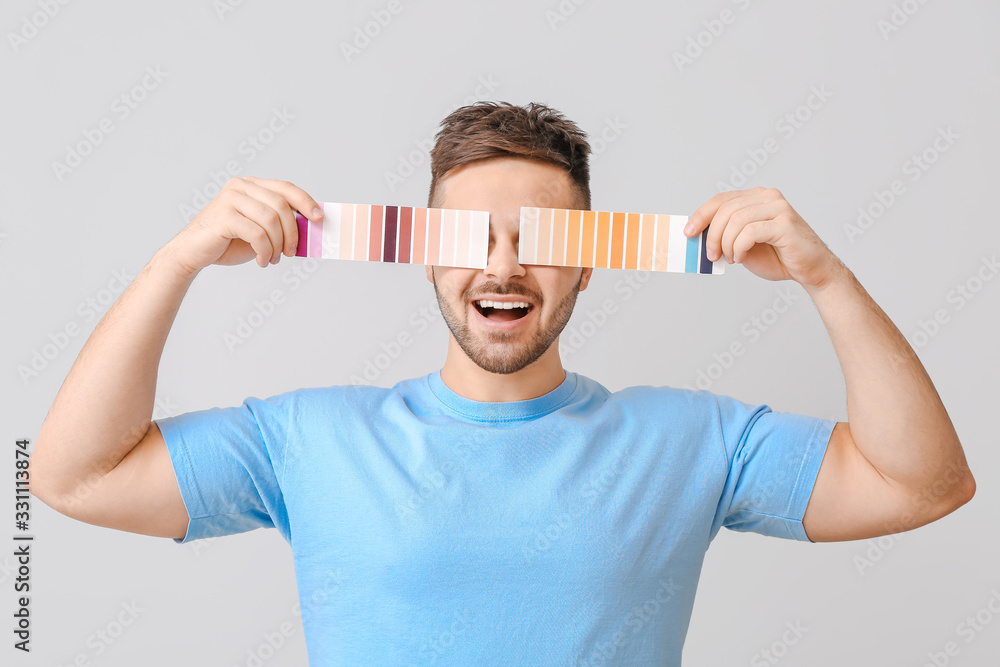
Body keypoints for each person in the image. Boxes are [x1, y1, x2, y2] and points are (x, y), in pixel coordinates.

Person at [30, 101, 975, 665]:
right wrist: (177, 262)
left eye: (541, 240)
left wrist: (825, 276)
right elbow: (76, 476)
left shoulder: (694, 440)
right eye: (470, 237)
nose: (503, 267)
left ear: (590, 264)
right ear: (424, 258)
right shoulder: (307, 439)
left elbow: (922, 483)